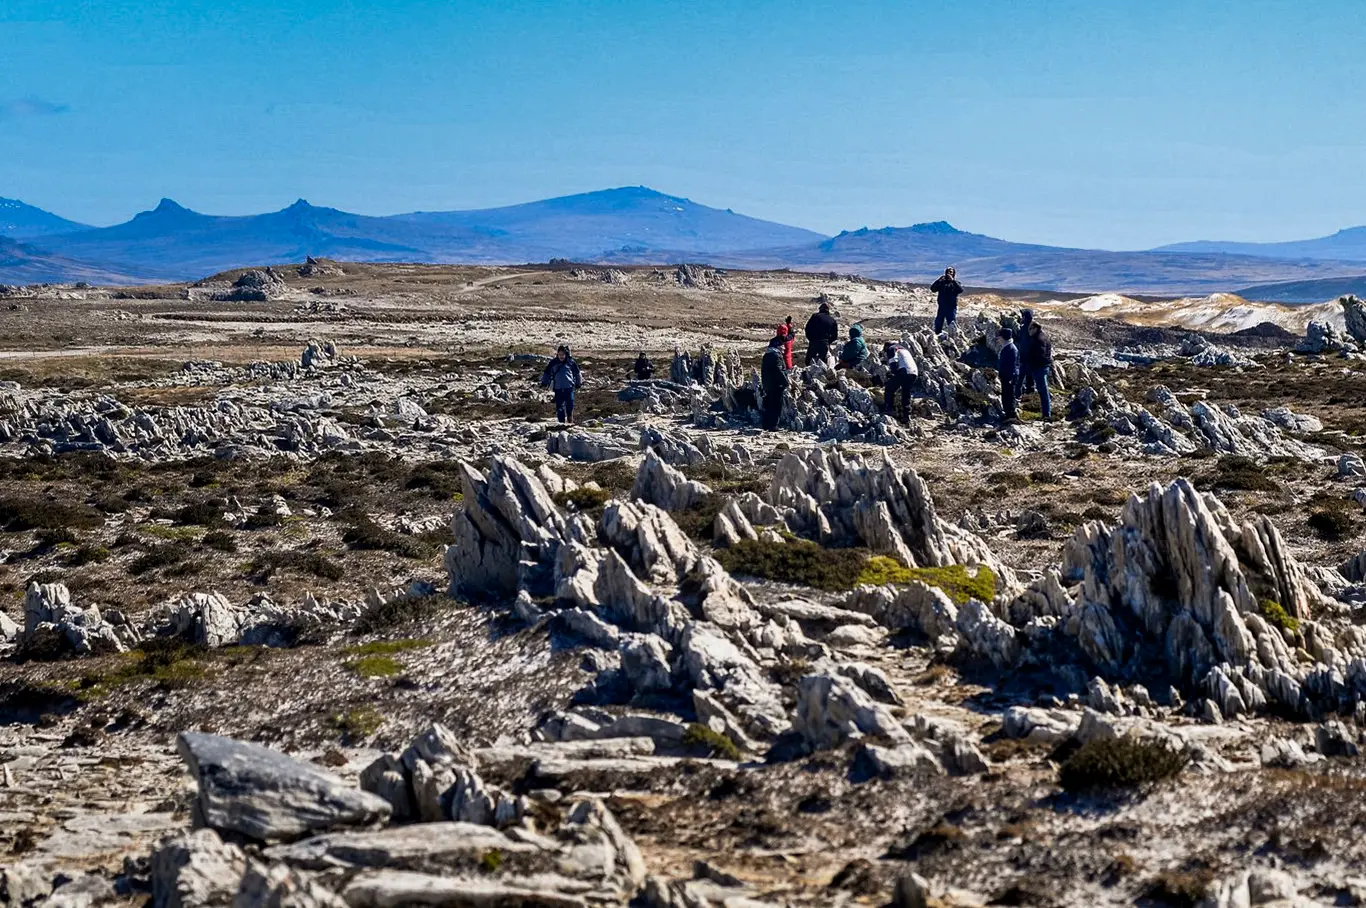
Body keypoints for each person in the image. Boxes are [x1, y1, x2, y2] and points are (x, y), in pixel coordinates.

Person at [540, 344, 582, 424]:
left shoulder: (571, 362)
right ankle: (561, 423)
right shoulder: (553, 363)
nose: (561, 356)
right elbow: (547, 373)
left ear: (566, 354)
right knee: (559, 407)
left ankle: (570, 419)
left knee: (570, 405)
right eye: (560, 354)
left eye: (563, 354)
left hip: (569, 388)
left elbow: (577, 373)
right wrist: (544, 382)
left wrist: (578, 383)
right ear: (557, 354)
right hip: (558, 389)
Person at [1022, 320, 1054, 420]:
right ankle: (1046, 413)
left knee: (1043, 391)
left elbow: (1039, 355)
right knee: (1043, 390)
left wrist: (1031, 364)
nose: (1029, 331)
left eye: (1030, 329)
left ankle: (1046, 414)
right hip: (1042, 367)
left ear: (1035, 328)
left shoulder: (1038, 339)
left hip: (1039, 368)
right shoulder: (1043, 337)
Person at [881, 341, 918, 423]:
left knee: (889, 388)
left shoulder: (891, 349)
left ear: (886, 347)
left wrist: (892, 373)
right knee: (906, 393)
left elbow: (894, 364)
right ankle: (906, 415)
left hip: (904, 371)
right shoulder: (904, 349)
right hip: (914, 372)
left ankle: (889, 409)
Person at [760, 334, 789, 430]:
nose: (784, 348)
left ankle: (766, 424)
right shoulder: (776, 356)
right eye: (782, 346)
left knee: (769, 405)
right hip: (776, 385)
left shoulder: (767, 355)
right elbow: (779, 371)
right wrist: (786, 382)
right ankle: (773, 425)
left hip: (768, 384)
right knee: (776, 405)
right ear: (777, 346)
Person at [930, 267, 964, 334]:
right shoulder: (942, 283)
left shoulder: (956, 283)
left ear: (954, 273)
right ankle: (937, 334)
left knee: (952, 322)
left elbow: (960, 290)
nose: (949, 273)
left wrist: (953, 280)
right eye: (948, 272)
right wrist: (938, 280)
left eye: (951, 272)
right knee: (939, 321)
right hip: (942, 306)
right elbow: (933, 289)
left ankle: (954, 336)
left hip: (951, 307)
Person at [997, 327, 1019, 422]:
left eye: (1000, 337)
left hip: (1009, 376)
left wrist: (1010, 377)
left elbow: (1012, 365)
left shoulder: (1011, 349)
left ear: (1004, 338)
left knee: (1009, 395)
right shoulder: (1007, 347)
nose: (998, 339)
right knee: (1006, 395)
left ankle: (1010, 414)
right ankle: (1008, 414)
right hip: (1007, 376)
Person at [1016, 309, 1035, 396]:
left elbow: (1021, 341)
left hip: (1025, 358)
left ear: (1025, 317)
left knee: (1021, 377)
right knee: (1029, 377)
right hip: (1030, 358)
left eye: (1023, 316)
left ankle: (1020, 395)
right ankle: (1029, 394)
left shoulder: (1025, 328)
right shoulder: (1032, 328)